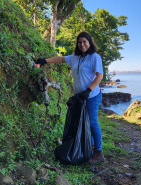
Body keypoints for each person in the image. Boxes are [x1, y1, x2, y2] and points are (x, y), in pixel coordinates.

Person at [36, 32, 104, 164]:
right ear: (77, 44)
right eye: (80, 42)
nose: (82, 44)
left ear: (89, 43)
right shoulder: (75, 58)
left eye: (85, 41)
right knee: (81, 121)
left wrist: (88, 91)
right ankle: (86, 147)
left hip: (92, 96)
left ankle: (98, 151)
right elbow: (61, 59)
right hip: (80, 97)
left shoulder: (94, 57)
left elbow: (99, 76)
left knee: (92, 122)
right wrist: (45, 61)